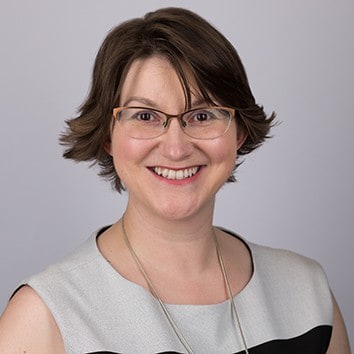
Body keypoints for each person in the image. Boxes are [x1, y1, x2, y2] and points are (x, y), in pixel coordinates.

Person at [0, 7, 350, 354]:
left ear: (238, 132)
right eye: (145, 116)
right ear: (108, 135)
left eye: (201, 115)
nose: (176, 147)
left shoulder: (308, 296)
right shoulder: (45, 319)